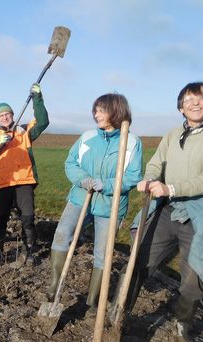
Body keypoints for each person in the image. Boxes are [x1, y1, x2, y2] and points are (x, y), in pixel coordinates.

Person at [120, 82, 203, 341]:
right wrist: (150, 179)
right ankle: (118, 314)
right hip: (169, 209)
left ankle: (182, 327)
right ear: (180, 107)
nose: (194, 104)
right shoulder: (172, 134)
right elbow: (156, 163)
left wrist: (171, 188)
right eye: (188, 100)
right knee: (136, 261)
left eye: (200, 99)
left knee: (193, 280)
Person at [47, 94, 142, 311]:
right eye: (95, 110)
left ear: (116, 111)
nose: (96, 114)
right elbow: (70, 163)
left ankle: (91, 302)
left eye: (101, 110)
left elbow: (133, 177)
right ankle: (54, 288)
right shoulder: (88, 137)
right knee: (61, 235)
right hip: (80, 197)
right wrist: (82, 179)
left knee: (103, 253)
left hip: (110, 206)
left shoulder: (132, 142)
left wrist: (106, 184)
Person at [0, 83, 49, 266]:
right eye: (1, 115)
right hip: (3, 184)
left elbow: (43, 121)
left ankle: (29, 252)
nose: (4, 117)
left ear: (12, 115)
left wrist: (37, 98)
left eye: (7, 114)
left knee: (27, 217)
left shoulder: (24, 131)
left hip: (24, 180)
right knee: (0, 218)